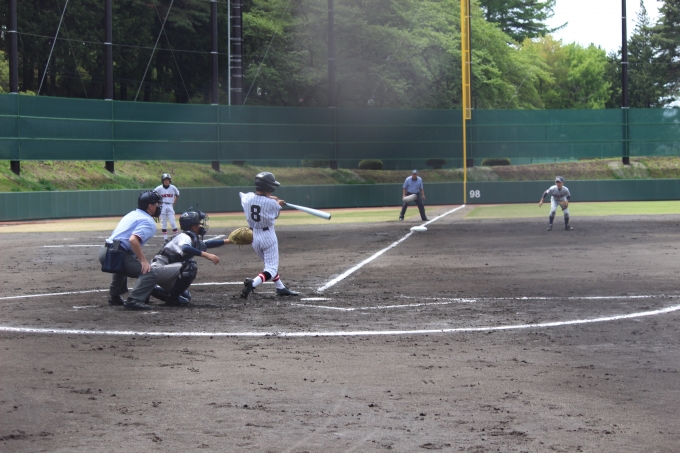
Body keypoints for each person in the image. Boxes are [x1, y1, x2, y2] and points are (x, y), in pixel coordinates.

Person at [148, 209, 232, 306]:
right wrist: (207, 255)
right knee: (190, 266)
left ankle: (151, 289)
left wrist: (228, 241)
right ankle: (172, 299)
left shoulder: (189, 237)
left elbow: (206, 244)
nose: (201, 226)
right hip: (159, 269)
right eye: (199, 224)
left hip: (165, 270)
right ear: (194, 227)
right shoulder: (185, 237)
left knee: (185, 296)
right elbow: (185, 248)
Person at [98, 190, 162, 310]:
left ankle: (115, 297)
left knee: (122, 264)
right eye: (157, 204)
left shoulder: (132, 214)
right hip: (116, 254)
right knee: (149, 274)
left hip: (104, 252)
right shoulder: (148, 221)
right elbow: (133, 240)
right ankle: (134, 300)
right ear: (150, 206)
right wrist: (143, 261)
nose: (158, 207)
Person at [239, 172, 299, 298]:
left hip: (254, 237)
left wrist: (272, 199)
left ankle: (280, 287)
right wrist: (278, 203)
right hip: (268, 236)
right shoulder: (272, 205)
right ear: (269, 187)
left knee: (270, 265)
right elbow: (276, 213)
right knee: (271, 269)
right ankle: (252, 283)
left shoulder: (247, 198)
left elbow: (251, 197)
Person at [155, 173, 180, 243]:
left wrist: (173, 203)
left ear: (170, 180)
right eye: (165, 180)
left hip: (169, 205)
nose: (166, 181)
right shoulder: (159, 188)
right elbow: (153, 194)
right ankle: (165, 239)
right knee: (163, 222)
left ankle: (176, 236)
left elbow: (177, 195)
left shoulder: (173, 187)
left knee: (172, 221)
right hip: (162, 205)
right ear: (162, 181)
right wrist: (157, 203)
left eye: (167, 180)